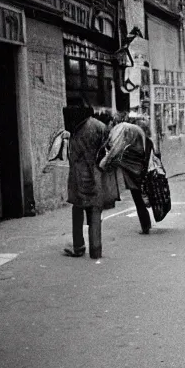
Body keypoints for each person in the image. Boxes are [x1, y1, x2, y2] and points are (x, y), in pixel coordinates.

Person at [63, 98, 120, 259]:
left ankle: (78, 246)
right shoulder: (98, 126)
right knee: (95, 212)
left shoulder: (73, 129)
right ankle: (96, 250)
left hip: (77, 177)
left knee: (77, 209)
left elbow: (71, 155)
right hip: (96, 175)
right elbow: (110, 149)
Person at [99, 115, 154, 234]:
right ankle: (146, 224)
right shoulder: (125, 129)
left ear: (110, 123)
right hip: (136, 163)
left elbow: (115, 149)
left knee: (137, 194)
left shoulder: (120, 129)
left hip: (135, 165)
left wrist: (103, 163)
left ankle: (146, 225)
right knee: (138, 194)